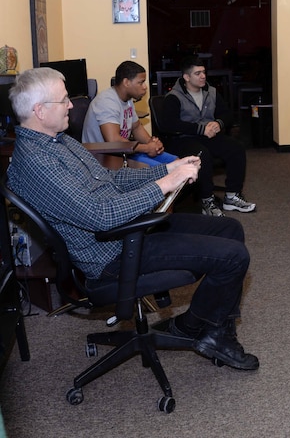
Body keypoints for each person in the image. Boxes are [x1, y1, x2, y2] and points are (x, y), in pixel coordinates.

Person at [7, 67, 259, 370]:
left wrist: (168, 169)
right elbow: (100, 216)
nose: (72, 106)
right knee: (233, 257)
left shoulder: (58, 141)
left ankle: (200, 326)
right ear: (40, 110)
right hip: (110, 253)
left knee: (229, 228)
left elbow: (112, 180)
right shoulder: (37, 163)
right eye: (64, 101)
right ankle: (210, 332)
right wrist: (165, 185)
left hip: (129, 229)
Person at [161, 56, 255, 217]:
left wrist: (218, 123)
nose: (203, 76)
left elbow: (227, 115)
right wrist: (200, 129)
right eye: (198, 73)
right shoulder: (174, 97)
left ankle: (232, 197)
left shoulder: (211, 92)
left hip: (208, 136)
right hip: (184, 139)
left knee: (236, 148)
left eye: (204, 72)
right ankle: (207, 201)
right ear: (186, 77)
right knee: (202, 154)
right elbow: (170, 125)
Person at [82, 60, 177, 167]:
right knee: (162, 170)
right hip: (105, 157)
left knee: (176, 162)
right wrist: (146, 148)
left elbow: (136, 127)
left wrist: (152, 143)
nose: (145, 87)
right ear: (126, 82)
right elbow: (113, 141)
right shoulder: (106, 101)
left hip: (125, 151)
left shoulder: (128, 99)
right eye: (140, 82)